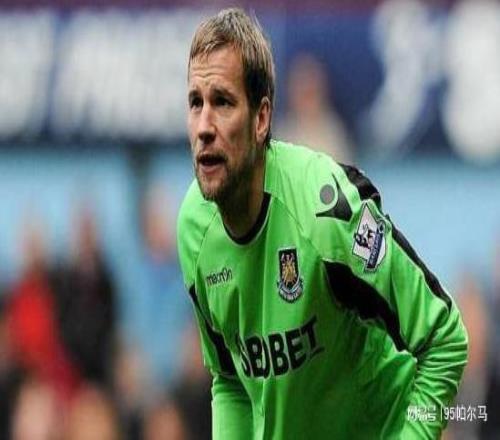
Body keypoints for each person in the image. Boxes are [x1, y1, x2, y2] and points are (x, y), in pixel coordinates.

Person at [177, 8, 468, 439]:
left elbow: (445, 339)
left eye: (222, 102)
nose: (204, 126)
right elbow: (231, 378)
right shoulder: (194, 230)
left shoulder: (326, 212)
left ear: (261, 119)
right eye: (195, 103)